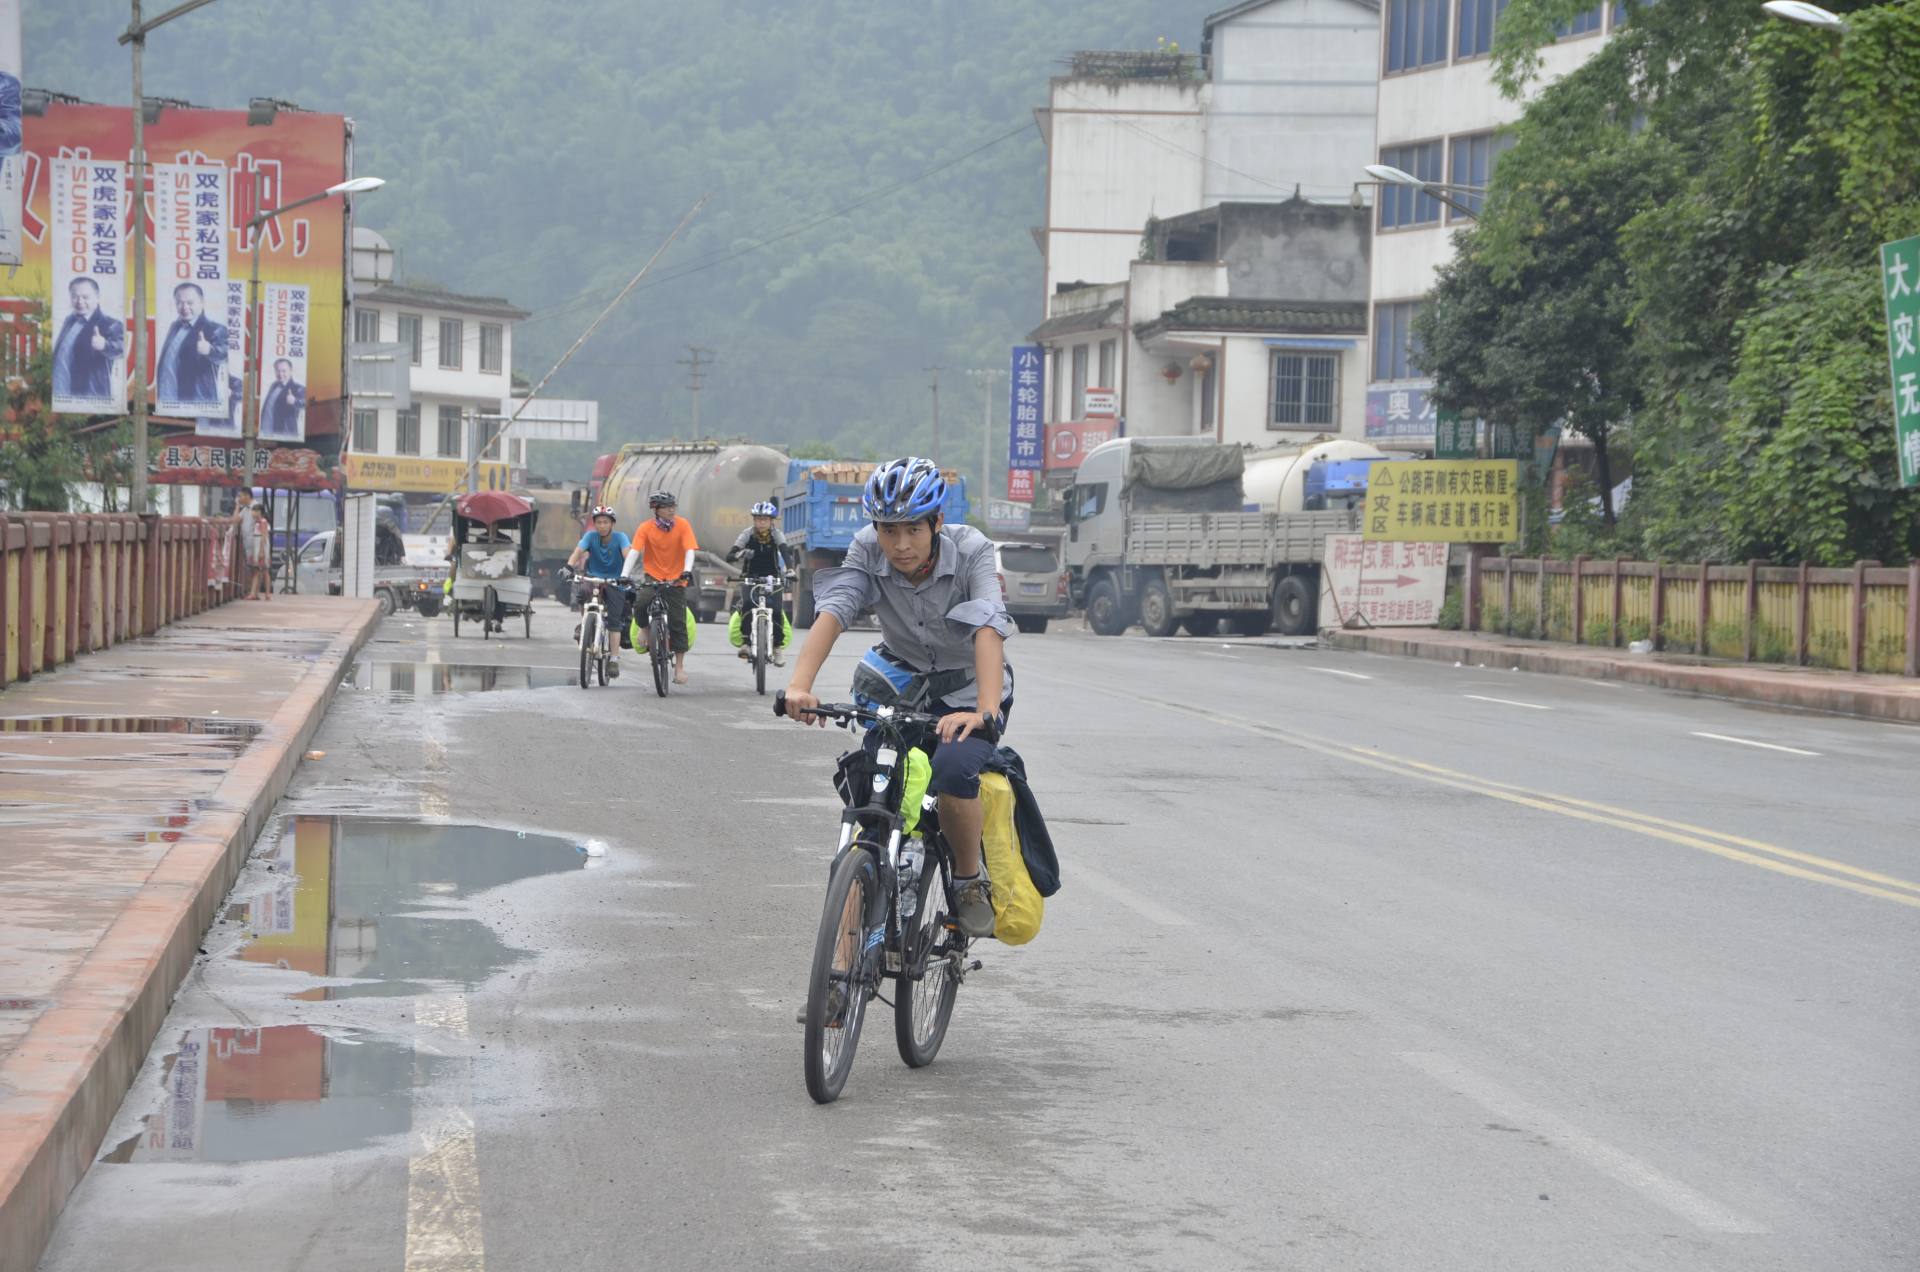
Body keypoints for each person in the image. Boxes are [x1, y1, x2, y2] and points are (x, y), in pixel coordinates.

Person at [782, 457, 1011, 938]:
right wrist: (799, 685)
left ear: (937, 523)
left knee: (953, 767)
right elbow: (835, 611)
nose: (900, 545)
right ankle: (842, 973)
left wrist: (984, 711)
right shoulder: (866, 549)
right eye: (889, 530)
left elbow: (989, 627)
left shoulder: (972, 552)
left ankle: (968, 880)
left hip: (967, 684)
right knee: (873, 788)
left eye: (913, 530)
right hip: (902, 678)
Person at [623, 490, 698, 685]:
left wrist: (687, 570)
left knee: (678, 621)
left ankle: (679, 668)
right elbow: (634, 552)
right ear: (655, 509)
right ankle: (646, 630)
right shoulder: (645, 528)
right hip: (653, 576)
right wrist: (624, 575)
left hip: (677, 579)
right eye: (666, 507)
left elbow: (689, 549)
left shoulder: (683, 525)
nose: (671, 509)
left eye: (673, 506)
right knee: (640, 604)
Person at [725, 500, 798, 665]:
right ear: (754, 520)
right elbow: (730, 555)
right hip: (750, 577)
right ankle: (746, 643)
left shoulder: (776, 534)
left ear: (772, 521)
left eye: (765, 519)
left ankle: (778, 647)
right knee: (748, 607)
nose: (761, 523)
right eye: (758, 519)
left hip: (773, 577)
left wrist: (790, 569)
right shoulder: (747, 534)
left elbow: (785, 552)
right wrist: (742, 553)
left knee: (777, 611)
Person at [565, 505, 633, 675]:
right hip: (593, 577)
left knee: (614, 621)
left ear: (612, 524)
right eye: (599, 522)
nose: (602, 525)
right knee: (581, 593)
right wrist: (568, 566)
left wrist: (626, 573)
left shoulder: (621, 537)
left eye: (606, 522)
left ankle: (614, 660)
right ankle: (585, 623)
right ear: (594, 524)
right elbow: (578, 551)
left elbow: (628, 554)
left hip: (615, 580)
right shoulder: (590, 536)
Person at [51, 278, 126, 405]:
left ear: (97, 297)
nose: (80, 302)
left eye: (85, 297)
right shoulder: (69, 320)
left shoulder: (110, 324)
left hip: (89, 399)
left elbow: (120, 348)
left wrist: (105, 345)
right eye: (75, 297)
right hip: (61, 395)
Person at [156, 282, 229, 410]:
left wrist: (210, 350)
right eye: (179, 302)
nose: (184, 307)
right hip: (167, 399)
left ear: (202, 302)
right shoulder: (175, 326)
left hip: (195, 404)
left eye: (190, 303)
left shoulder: (215, 329)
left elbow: (224, 353)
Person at [260, 358, 306, 439]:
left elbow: (305, 403)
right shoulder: (274, 385)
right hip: (266, 431)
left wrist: (295, 401)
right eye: (278, 370)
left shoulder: (298, 388)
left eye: (284, 371)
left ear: (291, 371)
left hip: (284, 434)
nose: (280, 374)